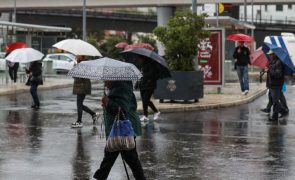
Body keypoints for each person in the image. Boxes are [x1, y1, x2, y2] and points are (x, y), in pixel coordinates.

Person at [93, 81, 146, 180]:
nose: (104, 80)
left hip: (122, 130)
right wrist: (106, 103)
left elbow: (121, 109)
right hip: (118, 130)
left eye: (105, 78)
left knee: (116, 159)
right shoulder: (117, 86)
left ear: (112, 78)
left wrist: (107, 102)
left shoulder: (122, 87)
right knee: (114, 159)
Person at [72, 55, 99, 128]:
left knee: (79, 104)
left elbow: (78, 76)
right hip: (81, 87)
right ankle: (93, 114)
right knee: (80, 105)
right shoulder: (81, 65)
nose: (76, 58)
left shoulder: (84, 65)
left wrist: (76, 67)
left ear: (81, 58)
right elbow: (74, 76)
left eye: (77, 57)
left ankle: (79, 121)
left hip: (82, 87)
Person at [138, 56, 160, 121]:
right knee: (144, 101)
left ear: (143, 58)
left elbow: (152, 74)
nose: (139, 59)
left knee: (146, 100)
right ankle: (145, 115)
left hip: (149, 85)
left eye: (140, 58)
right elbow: (141, 75)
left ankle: (156, 111)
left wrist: (144, 74)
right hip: (143, 85)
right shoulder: (142, 65)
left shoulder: (151, 65)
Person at [265, 50, 285, 121]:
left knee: (275, 101)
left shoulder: (278, 63)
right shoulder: (273, 62)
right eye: (269, 54)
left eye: (271, 54)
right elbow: (271, 70)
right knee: (271, 98)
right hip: (271, 85)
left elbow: (278, 74)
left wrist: (270, 70)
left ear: (275, 55)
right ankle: (282, 110)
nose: (270, 56)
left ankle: (275, 116)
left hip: (276, 85)